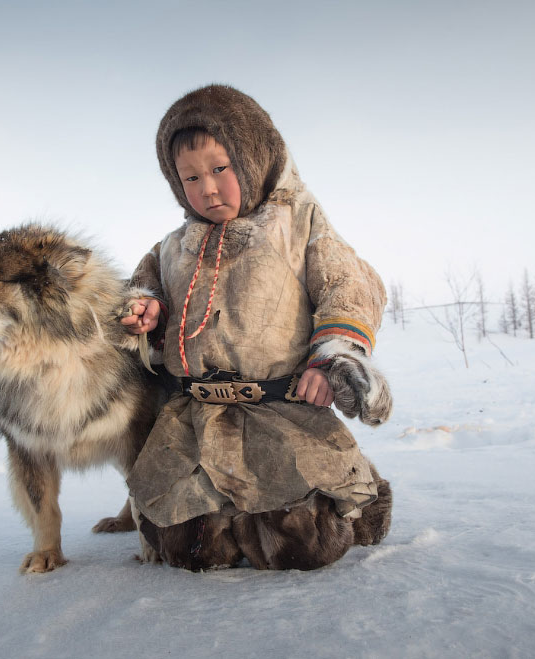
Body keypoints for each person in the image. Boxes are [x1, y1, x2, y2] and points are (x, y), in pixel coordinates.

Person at [120, 84, 394, 571]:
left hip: (281, 412)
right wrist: (147, 311)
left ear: (252, 156)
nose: (207, 188)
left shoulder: (297, 221)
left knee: (301, 547)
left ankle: (357, 495)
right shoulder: (171, 248)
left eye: (220, 169)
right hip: (196, 421)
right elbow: (143, 289)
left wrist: (332, 355)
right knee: (188, 550)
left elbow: (348, 283)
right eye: (190, 177)